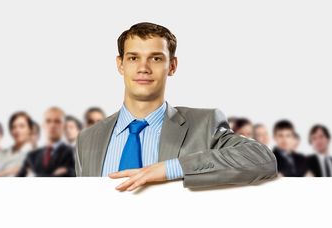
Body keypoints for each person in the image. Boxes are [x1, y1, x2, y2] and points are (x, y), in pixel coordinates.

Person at [74, 22, 277, 190]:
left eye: (155, 58)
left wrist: (170, 169)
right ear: (120, 64)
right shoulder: (88, 139)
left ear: (172, 66)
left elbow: (262, 159)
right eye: (133, 58)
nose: (143, 68)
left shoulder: (204, 125)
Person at [17, 107, 75, 177]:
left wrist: (34, 176)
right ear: (43, 125)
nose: (52, 125)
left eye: (57, 121)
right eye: (48, 121)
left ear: (64, 126)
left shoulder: (73, 153)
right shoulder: (32, 156)